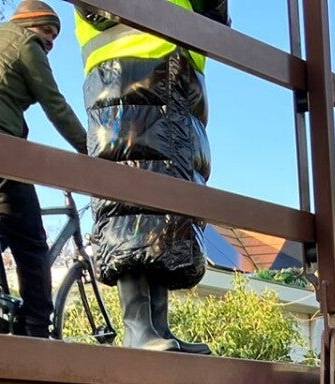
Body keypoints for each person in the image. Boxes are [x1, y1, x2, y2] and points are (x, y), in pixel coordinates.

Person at [74, 0, 227, 352]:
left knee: (167, 210)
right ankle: (138, 328)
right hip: (125, 74)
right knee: (130, 205)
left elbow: (214, 16)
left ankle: (159, 327)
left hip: (180, 79)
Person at [0, 0, 88, 338]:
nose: (49, 43)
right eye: (48, 32)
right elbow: (55, 104)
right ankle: (36, 326)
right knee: (33, 240)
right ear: (30, 24)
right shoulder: (26, 44)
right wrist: (89, 150)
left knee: (5, 225)